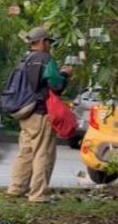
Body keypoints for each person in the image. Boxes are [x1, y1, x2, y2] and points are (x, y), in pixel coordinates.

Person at [6, 27, 73, 202]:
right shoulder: (45, 59)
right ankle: (38, 194)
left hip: (24, 113)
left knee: (25, 151)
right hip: (40, 113)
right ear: (43, 41)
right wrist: (65, 74)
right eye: (49, 42)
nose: (49, 46)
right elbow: (56, 84)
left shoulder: (23, 60)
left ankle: (16, 188)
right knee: (43, 153)